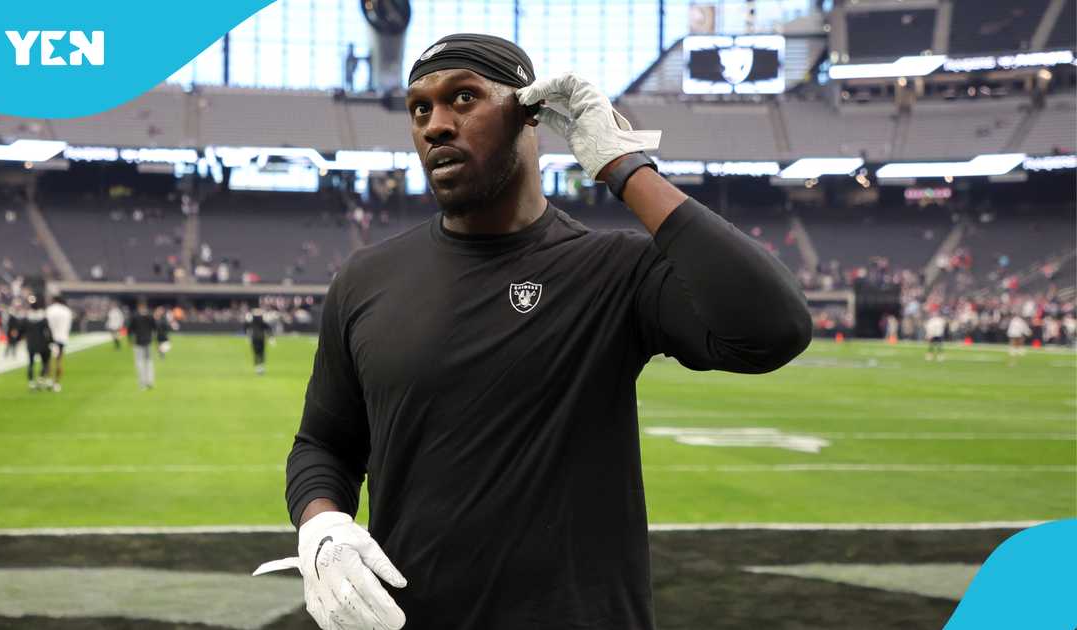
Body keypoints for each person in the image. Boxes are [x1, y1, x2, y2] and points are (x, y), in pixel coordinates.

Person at [264, 34, 811, 630]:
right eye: (420, 109)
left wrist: (624, 166)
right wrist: (322, 526)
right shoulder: (365, 280)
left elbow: (773, 329)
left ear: (530, 115)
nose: (436, 125)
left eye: (463, 98)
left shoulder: (615, 270)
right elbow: (324, 444)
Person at [127, 300, 157, 390]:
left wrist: (129, 340)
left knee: (140, 363)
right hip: (148, 341)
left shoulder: (135, 317)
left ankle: (142, 383)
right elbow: (155, 329)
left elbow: (130, 330)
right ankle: (150, 381)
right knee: (149, 362)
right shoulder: (150, 316)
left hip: (138, 342)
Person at [46, 296, 73, 392]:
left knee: (48, 361)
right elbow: (68, 326)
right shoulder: (67, 311)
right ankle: (56, 383)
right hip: (62, 338)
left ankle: (49, 380)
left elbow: (46, 324)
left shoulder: (50, 310)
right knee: (59, 361)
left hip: (50, 338)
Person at [23, 302, 53, 390]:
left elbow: (22, 330)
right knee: (45, 363)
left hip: (31, 343)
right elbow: (48, 331)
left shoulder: (27, 318)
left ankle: (31, 382)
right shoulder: (43, 318)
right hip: (42, 343)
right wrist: (51, 341)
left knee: (31, 363)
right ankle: (41, 378)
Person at [244, 307, 272, 375]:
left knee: (257, 353)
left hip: (255, 338)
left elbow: (246, 328)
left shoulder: (252, 321)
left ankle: (258, 368)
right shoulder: (261, 321)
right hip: (260, 338)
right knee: (260, 353)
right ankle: (260, 368)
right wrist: (271, 338)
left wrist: (248, 337)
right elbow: (268, 329)